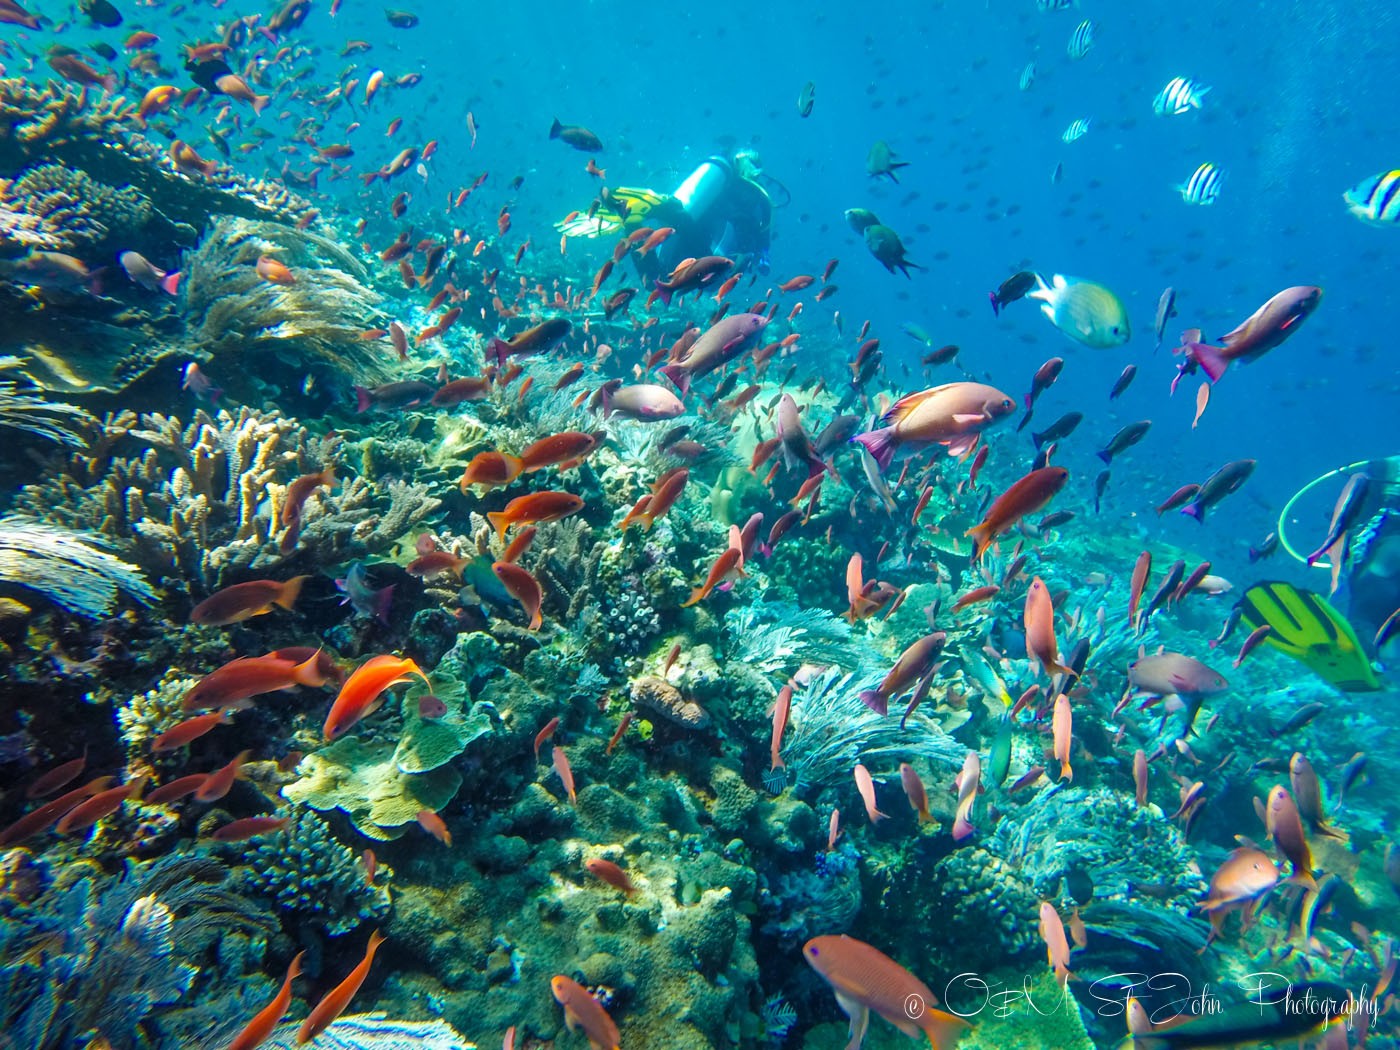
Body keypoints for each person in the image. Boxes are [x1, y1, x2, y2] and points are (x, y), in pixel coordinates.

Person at [1238, 455, 1400, 691]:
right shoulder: (1388, 471)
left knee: (1377, 582)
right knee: (1379, 574)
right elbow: (1356, 502)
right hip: (1385, 542)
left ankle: (1372, 648)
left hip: (1380, 551)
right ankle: (1370, 646)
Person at [558, 147, 782, 279]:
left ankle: (640, 208)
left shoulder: (726, 184)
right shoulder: (758, 199)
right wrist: (760, 258)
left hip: (681, 221)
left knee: (663, 273)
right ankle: (641, 209)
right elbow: (762, 242)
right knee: (672, 277)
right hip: (699, 241)